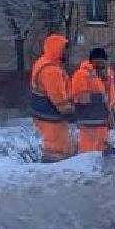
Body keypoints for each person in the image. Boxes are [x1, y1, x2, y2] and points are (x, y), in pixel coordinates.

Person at [27, 33, 76, 162]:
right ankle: (55, 170)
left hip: (43, 112)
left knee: (57, 143)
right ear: (57, 49)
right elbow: (58, 96)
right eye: (64, 49)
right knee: (56, 147)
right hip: (50, 115)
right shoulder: (51, 70)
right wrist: (69, 111)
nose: (67, 52)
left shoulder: (44, 62)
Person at [68, 47, 115, 155]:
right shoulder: (82, 75)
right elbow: (80, 97)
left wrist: (113, 112)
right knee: (88, 153)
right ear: (91, 61)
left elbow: (111, 97)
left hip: (103, 122)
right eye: (98, 62)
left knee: (102, 152)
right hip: (88, 122)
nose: (101, 66)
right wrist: (99, 99)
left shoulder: (109, 76)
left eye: (103, 62)